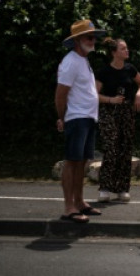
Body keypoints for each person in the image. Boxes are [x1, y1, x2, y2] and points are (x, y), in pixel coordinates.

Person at [54, 19, 107, 224]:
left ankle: (79, 201)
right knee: (72, 161)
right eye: (89, 37)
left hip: (87, 118)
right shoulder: (70, 62)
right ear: (77, 40)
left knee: (82, 162)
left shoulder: (83, 60)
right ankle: (69, 207)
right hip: (76, 118)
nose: (93, 40)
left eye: (93, 37)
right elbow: (60, 94)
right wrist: (62, 117)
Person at [95, 37, 140, 203]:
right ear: (114, 52)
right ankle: (104, 188)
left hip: (126, 112)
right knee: (111, 147)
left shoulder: (130, 69)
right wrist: (111, 100)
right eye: (123, 49)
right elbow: (94, 95)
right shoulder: (103, 72)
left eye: (127, 48)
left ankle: (122, 188)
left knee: (125, 149)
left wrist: (138, 95)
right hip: (108, 112)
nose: (127, 51)